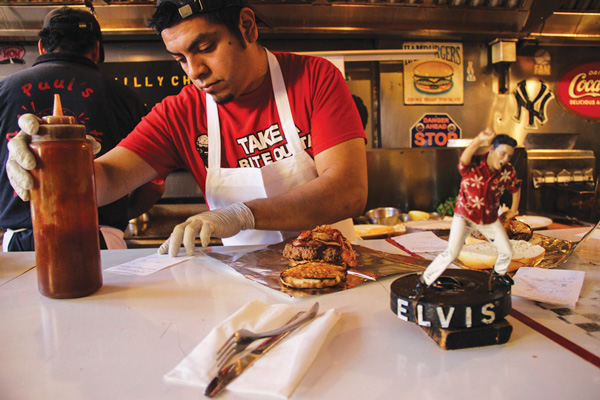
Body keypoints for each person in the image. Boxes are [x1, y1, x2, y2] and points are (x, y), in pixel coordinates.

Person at [7, 0, 368, 257]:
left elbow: (347, 190)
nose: (194, 71)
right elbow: (106, 181)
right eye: (181, 58)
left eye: (205, 48)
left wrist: (242, 214)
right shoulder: (180, 112)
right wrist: (51, 159)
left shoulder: (315, 78)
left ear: (247, 26)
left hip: (336, 267)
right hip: (246, 284)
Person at [0, 7, 164, 251]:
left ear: (42, 47)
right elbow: (154, 181)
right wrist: (120, 210)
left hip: (21, 242)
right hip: (101, 238)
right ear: (97, 50)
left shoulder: (4, 90)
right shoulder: (124, 96)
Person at [415, 129, 521, 293]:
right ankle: (425, 280)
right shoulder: (474, 164)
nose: (505, 159)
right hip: (464, 216)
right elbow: (464, 158)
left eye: (509, 156)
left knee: (506, 250)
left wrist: (513, 210)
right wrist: (479, 139)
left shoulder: (507, 171)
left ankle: (499, 275)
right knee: (452, 252)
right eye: (502, 153)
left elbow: (515, 188)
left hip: (488, 219)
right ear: (492, 149)